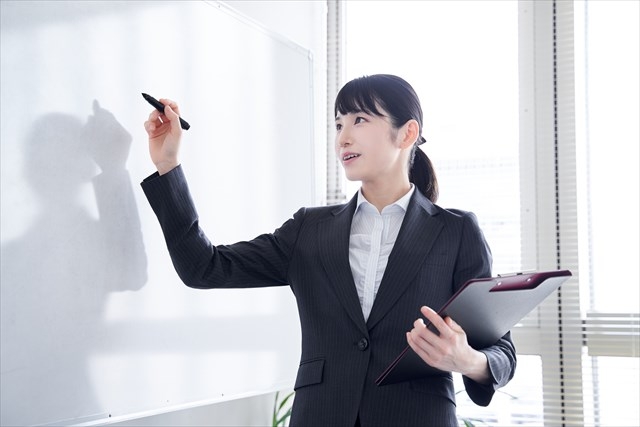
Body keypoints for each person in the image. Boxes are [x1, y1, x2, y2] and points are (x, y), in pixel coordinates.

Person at [141, 74, 516, 426]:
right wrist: (167, 165)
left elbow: (501, 351)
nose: (343, 138)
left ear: (407, 133)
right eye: (339, 125)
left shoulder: (455, 231)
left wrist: (467, 360)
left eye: (360, 120)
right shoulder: (309, 229)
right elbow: (204, 267)